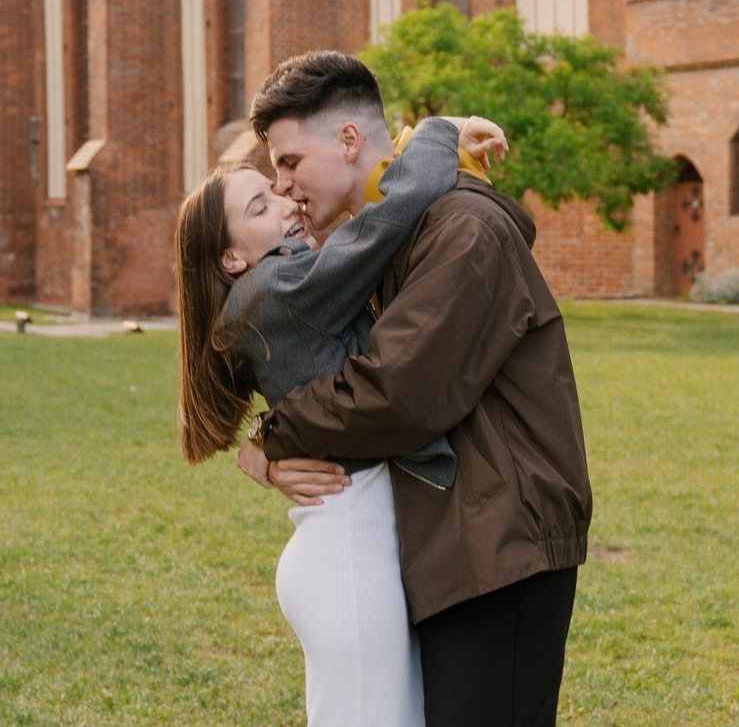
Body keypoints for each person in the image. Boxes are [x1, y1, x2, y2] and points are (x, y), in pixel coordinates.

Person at [239, 49, 592, 727]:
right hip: (459, 540)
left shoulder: (461, 228)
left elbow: (395, 393)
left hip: (501, 545)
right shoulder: (394, 233)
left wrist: (274, 436)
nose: (282, 186)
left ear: (348, 140)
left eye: (289, 162)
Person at [174, 59, 506, 727]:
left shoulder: (273, 291)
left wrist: (264, 443)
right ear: (232, 257)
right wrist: (439, 130)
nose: (285, 199)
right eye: (260, 206)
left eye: (279, 184)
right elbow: (386, 221)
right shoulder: (276, 288)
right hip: (350, 545)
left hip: (355, 535)